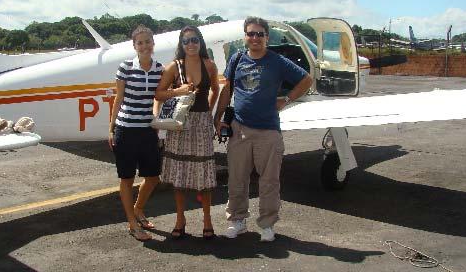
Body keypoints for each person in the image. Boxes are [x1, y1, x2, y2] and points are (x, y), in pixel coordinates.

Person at [214, 16, 313, 242]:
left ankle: (267, 224)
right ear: (245, 37)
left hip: (268, 130)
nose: (255, 38)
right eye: (251, 33)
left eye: (260, 34)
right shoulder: (237, 58)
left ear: (267, 37)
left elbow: (306, 79)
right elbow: (227, 90)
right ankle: (237, 221)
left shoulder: (277, 61)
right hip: (239, 128)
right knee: (237, 178)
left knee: (269, 181)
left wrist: (286, 99)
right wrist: (218, 117)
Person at [155, 25, 220, 240]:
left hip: (201, 123)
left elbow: (215, 90)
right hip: (179, 125)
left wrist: (207, 113)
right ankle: (180, 220)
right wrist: (178, 91)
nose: (190, 44)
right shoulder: (174, 67)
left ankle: (207, 220)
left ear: (200, 42)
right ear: (181, 45)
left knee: (204, 176)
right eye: (186, 41)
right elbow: (159, 94)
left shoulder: (209, 65)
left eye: (194, 40)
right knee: (180, 177)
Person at [109, 25, 163, 241]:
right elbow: (118, 98)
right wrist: (112, 128)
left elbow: (160, 96)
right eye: (139, 43)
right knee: (127, 179)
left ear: (153, 43)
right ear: (134, 46)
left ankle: (138, 209)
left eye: (147, 42)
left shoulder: (159, 69)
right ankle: (132, 223)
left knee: (153, 177)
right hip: (126, 129)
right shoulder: (125, 68)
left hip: (148, 130)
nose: (144, 46)